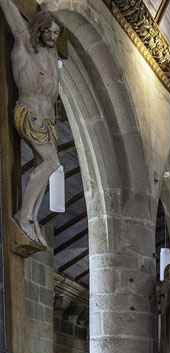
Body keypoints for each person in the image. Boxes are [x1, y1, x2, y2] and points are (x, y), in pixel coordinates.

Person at [0, 0, 63, 247]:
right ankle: (23, 215)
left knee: (45, 165)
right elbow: (10, 9)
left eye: (57, 33)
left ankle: (32, 218)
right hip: (30, 113)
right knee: (51, 162)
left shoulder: (53, 51)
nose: (53, 37)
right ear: (39, 29)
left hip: (47, 119)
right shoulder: (24, 38)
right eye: (49, 31)